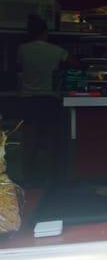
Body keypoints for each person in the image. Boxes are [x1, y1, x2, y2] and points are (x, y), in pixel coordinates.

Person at [16, 15, 75, 185]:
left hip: (28, 101)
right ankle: (51, 180)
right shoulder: (55, 50)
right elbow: (74, 62)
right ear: (45, 32)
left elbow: (18, 68)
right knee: (51, 142)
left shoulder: (22, 49)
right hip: (49, 100)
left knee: (30, 142)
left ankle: (26, 179)